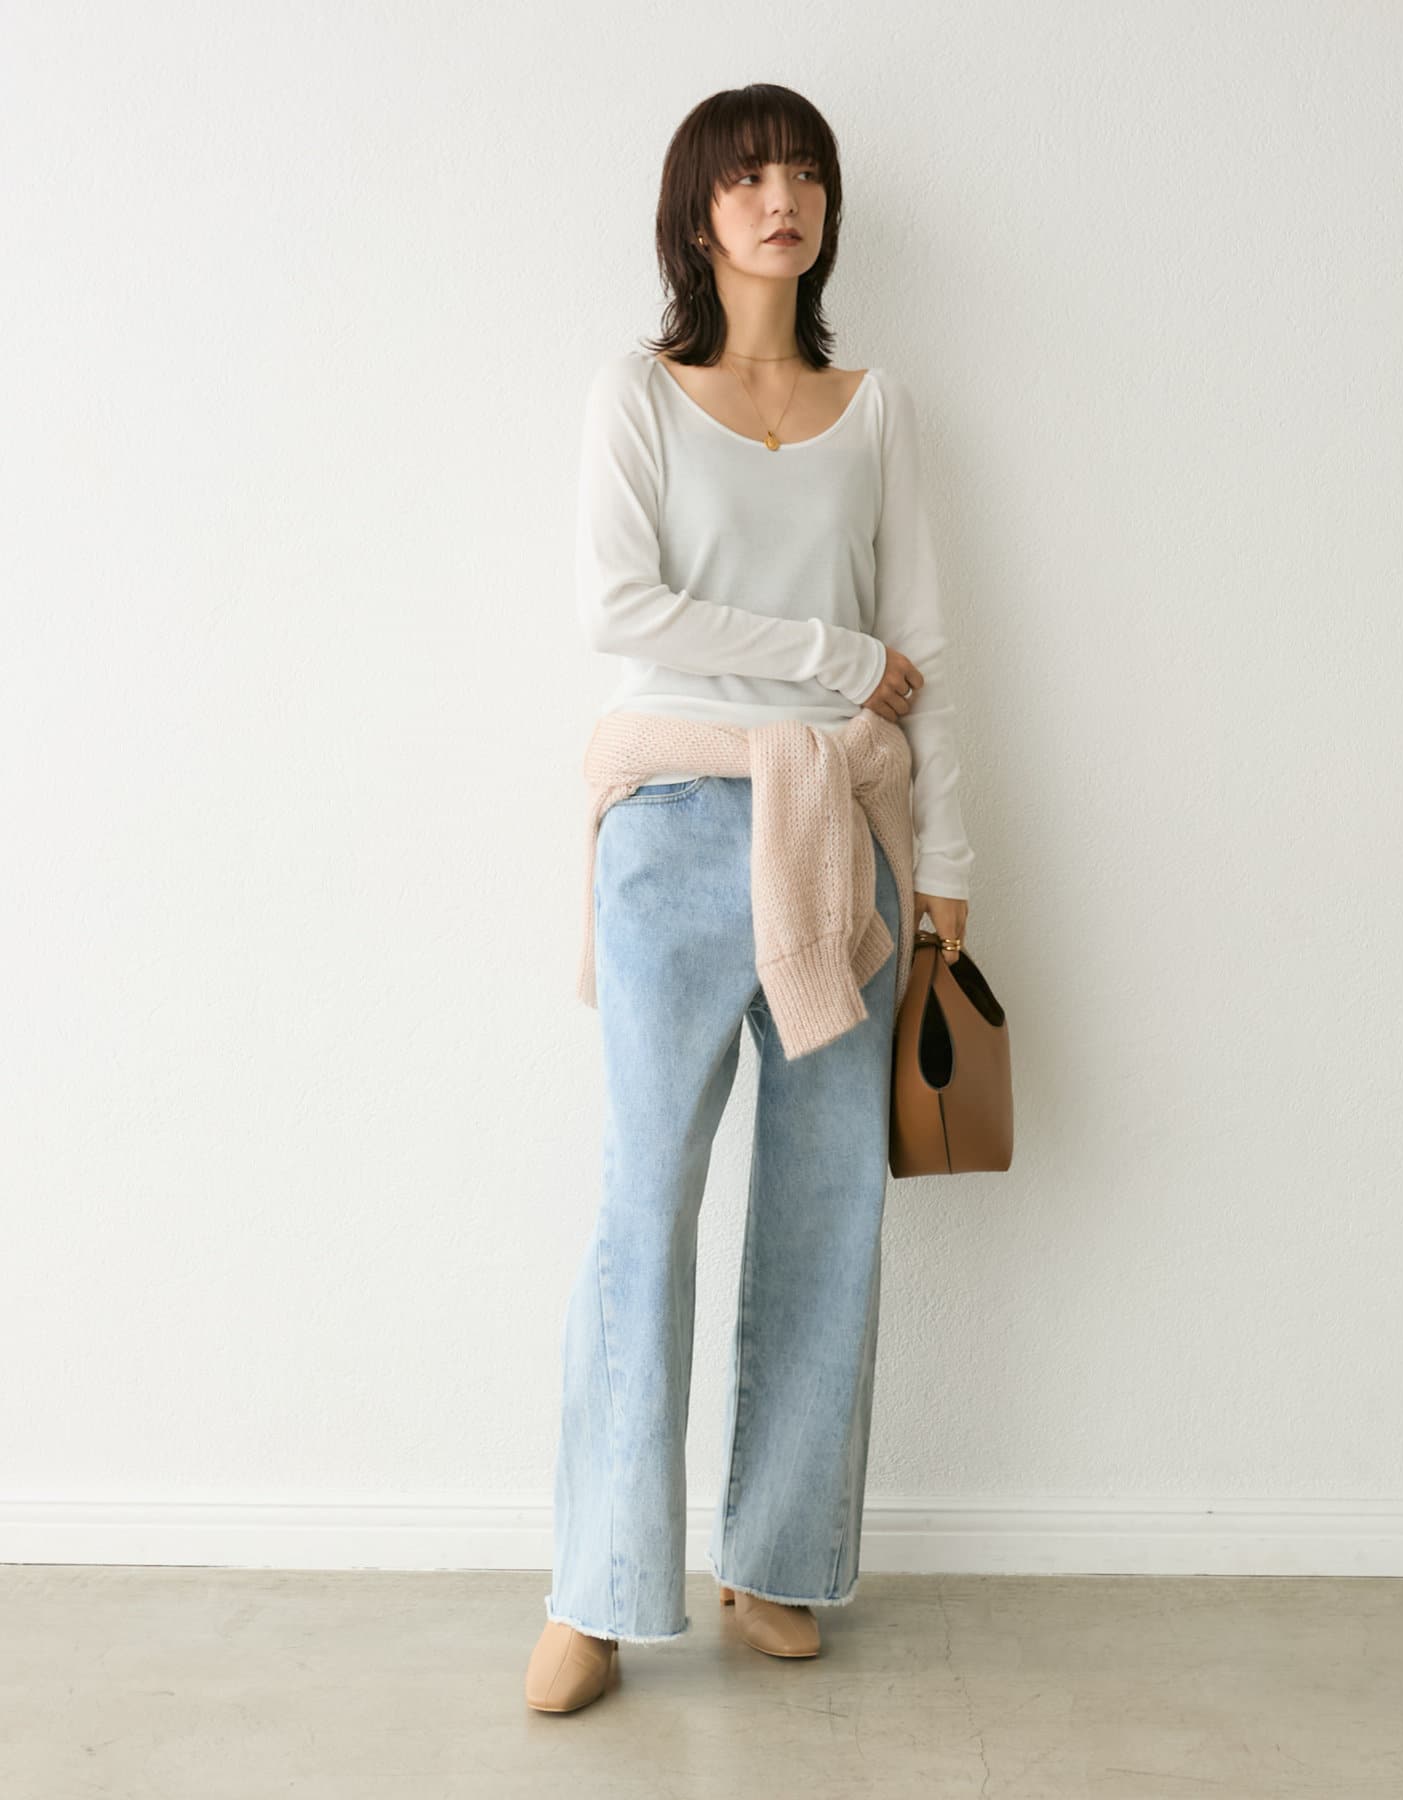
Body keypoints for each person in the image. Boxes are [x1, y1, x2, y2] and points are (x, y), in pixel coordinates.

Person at [525, 82, 976, 1713]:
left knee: (825, 1205)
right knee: (643, 1198)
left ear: (828, 209)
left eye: (803, 175)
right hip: (673, 821)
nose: (779, 197)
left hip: (845, 833)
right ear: (698, 213)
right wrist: (832, 657)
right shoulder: (637, 394)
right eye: (746, 177)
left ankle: (773, 1559)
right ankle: (598, 1585)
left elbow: (933, 653)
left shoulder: (877, 408)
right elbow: (619, 606)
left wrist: (947, 873)